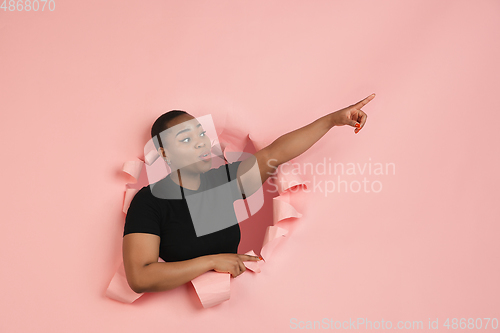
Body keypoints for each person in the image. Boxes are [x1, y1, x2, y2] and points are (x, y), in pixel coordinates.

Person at [122, 94, 375, 294]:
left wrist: (333, 120)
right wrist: (211, 261)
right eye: (185, 140)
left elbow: (277, 153)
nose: (200, 143)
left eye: (200, 134)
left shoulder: (222, 181)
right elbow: (140, 276)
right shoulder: (149, 202)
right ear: (164, 153)